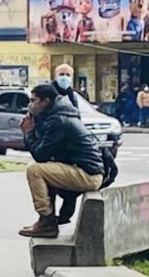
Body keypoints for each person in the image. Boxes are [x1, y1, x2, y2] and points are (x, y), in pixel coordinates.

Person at [18, 84, 104, 238]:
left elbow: (41, 155)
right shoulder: (58, 114)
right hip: (87, 172)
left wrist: (29, 133)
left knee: (34, 170)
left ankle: (46, 221)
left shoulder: (57, 120)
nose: (30, 105)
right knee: (45, 170)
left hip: (88, 175)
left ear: (46, 101)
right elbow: (48, 154)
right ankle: (46, 220)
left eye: (34, 100)